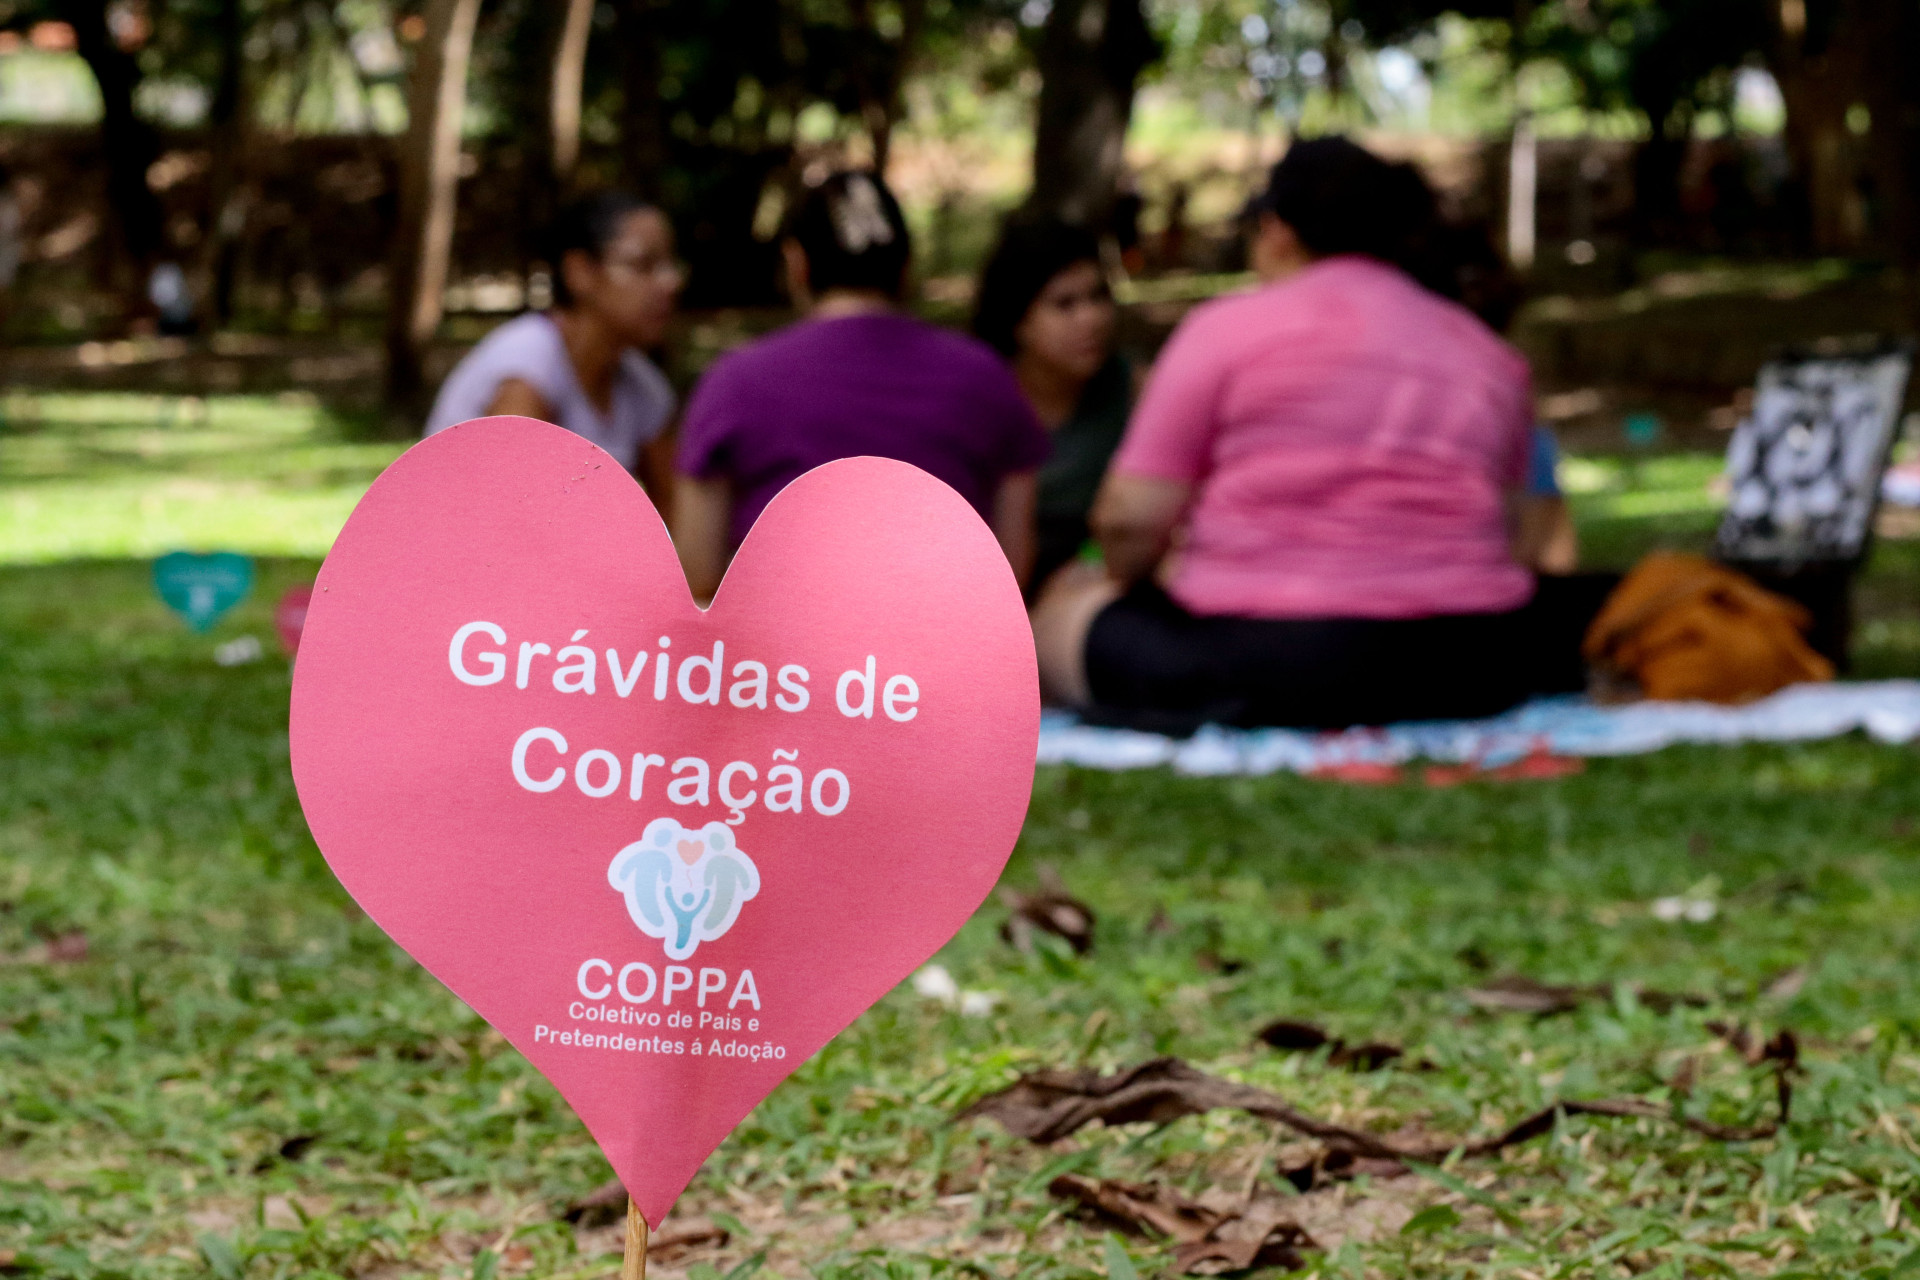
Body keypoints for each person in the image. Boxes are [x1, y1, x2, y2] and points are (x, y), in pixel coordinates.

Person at [1031, 137, 1604, 733]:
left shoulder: (1223, 330)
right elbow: (1510, 535)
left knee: (1061, 620)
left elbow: (1129, 518)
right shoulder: (1489, 355)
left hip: (1272, 661)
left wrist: (1123, 583)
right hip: (1470, 665)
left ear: (1277, 229)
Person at [673, 171, 1050, 601]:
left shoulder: (733, 383)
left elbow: (697, 573)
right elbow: (1012, 569)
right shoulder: (987, 377)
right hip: (941, 655)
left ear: (798, 265)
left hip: (781, 662)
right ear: (906, 266)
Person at [426, 191, 683, 503]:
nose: (671, 282)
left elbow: (677, 523)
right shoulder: (526, 372)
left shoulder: (643, 388)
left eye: (670, 264)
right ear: (579, 271)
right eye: (643, 264)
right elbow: (511, 518)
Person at [972, 219, 1132, 595]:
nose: (1091, 318)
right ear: (1018, 319)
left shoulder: (1134, 394)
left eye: (1098, 297)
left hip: (1100, 589)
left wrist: (1091, 562)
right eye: (1065, 304)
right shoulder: (980, 404)